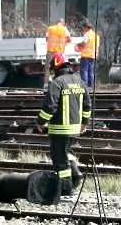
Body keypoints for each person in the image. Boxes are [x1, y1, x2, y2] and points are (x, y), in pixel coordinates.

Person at [35, 52, 90, 197]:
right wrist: (84, 123)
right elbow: (87, 105)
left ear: (56, 68)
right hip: (74, 129)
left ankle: (66, 189)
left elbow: (50, 107)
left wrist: (40, 122)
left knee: (60, 160)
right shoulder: (79, 81)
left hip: (60, 129)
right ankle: (76, 176)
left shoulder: (57, 83)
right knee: (65, 155)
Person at [43, 18, 71, 88]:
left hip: (50, 51)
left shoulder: (50, 29)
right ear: (63, 23)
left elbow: (46, 39)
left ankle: (46, 84)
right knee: (60, 68)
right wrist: (63, 42)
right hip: (60, 53)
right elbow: (69, 39)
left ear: (56, 23)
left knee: (48, 68)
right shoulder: (64, 29)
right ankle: (60, 84)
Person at [75, 21, 99, 88]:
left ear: (86, 28)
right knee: (91, 71)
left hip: (86, 55)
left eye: (83, 28)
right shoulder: (96, 35)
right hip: (93, 55)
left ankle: (84, 86)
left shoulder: (87, 34)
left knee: (84, 71)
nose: (83, 30)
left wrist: (78, 44)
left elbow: (84, 43)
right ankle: (91, 86)